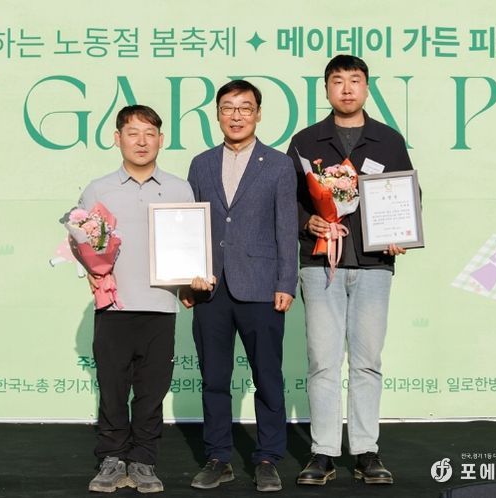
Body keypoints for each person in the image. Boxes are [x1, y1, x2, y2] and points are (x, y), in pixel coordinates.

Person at [288, 55, 416, 486]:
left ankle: (365, 451)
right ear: (326, 88)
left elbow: (409, 196)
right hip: (320, 263)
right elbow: (287, 200)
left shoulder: (388, 140)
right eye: (338, 81)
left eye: (355, 80)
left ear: (367, 87)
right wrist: (308, 221)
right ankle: (323, 452)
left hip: (375, 264)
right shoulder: (306, 141)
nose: (346, 88)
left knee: (367, 361)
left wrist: (401, 233)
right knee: (323, 362)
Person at [181, 80, 298, 492]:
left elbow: (287, 228)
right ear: (217, 114)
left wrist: (286, 282)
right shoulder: (201, 164)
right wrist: (185, 281)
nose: (236, 115)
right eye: (228, 108)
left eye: (245, 108)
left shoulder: (279, 164)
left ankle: (267, 458)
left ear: (258, 114)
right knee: (214, 377)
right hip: (210, 287)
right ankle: (218, 457)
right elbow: (189, 227)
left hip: (262, 286)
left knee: (268, 377)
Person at [76, 105, 194, 494]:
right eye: (133, 133)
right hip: (114, 306)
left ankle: (143, 460)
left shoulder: (180, 189)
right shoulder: (98, 189)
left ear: (161, 139)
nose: (141, 141)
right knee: (112, 387)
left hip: (161, 306)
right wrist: (89, 267)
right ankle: (111, 459)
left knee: (151, 390)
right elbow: (81, 242)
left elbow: (190, 244)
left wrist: (193, 280)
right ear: (118, 138)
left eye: (149, 133)